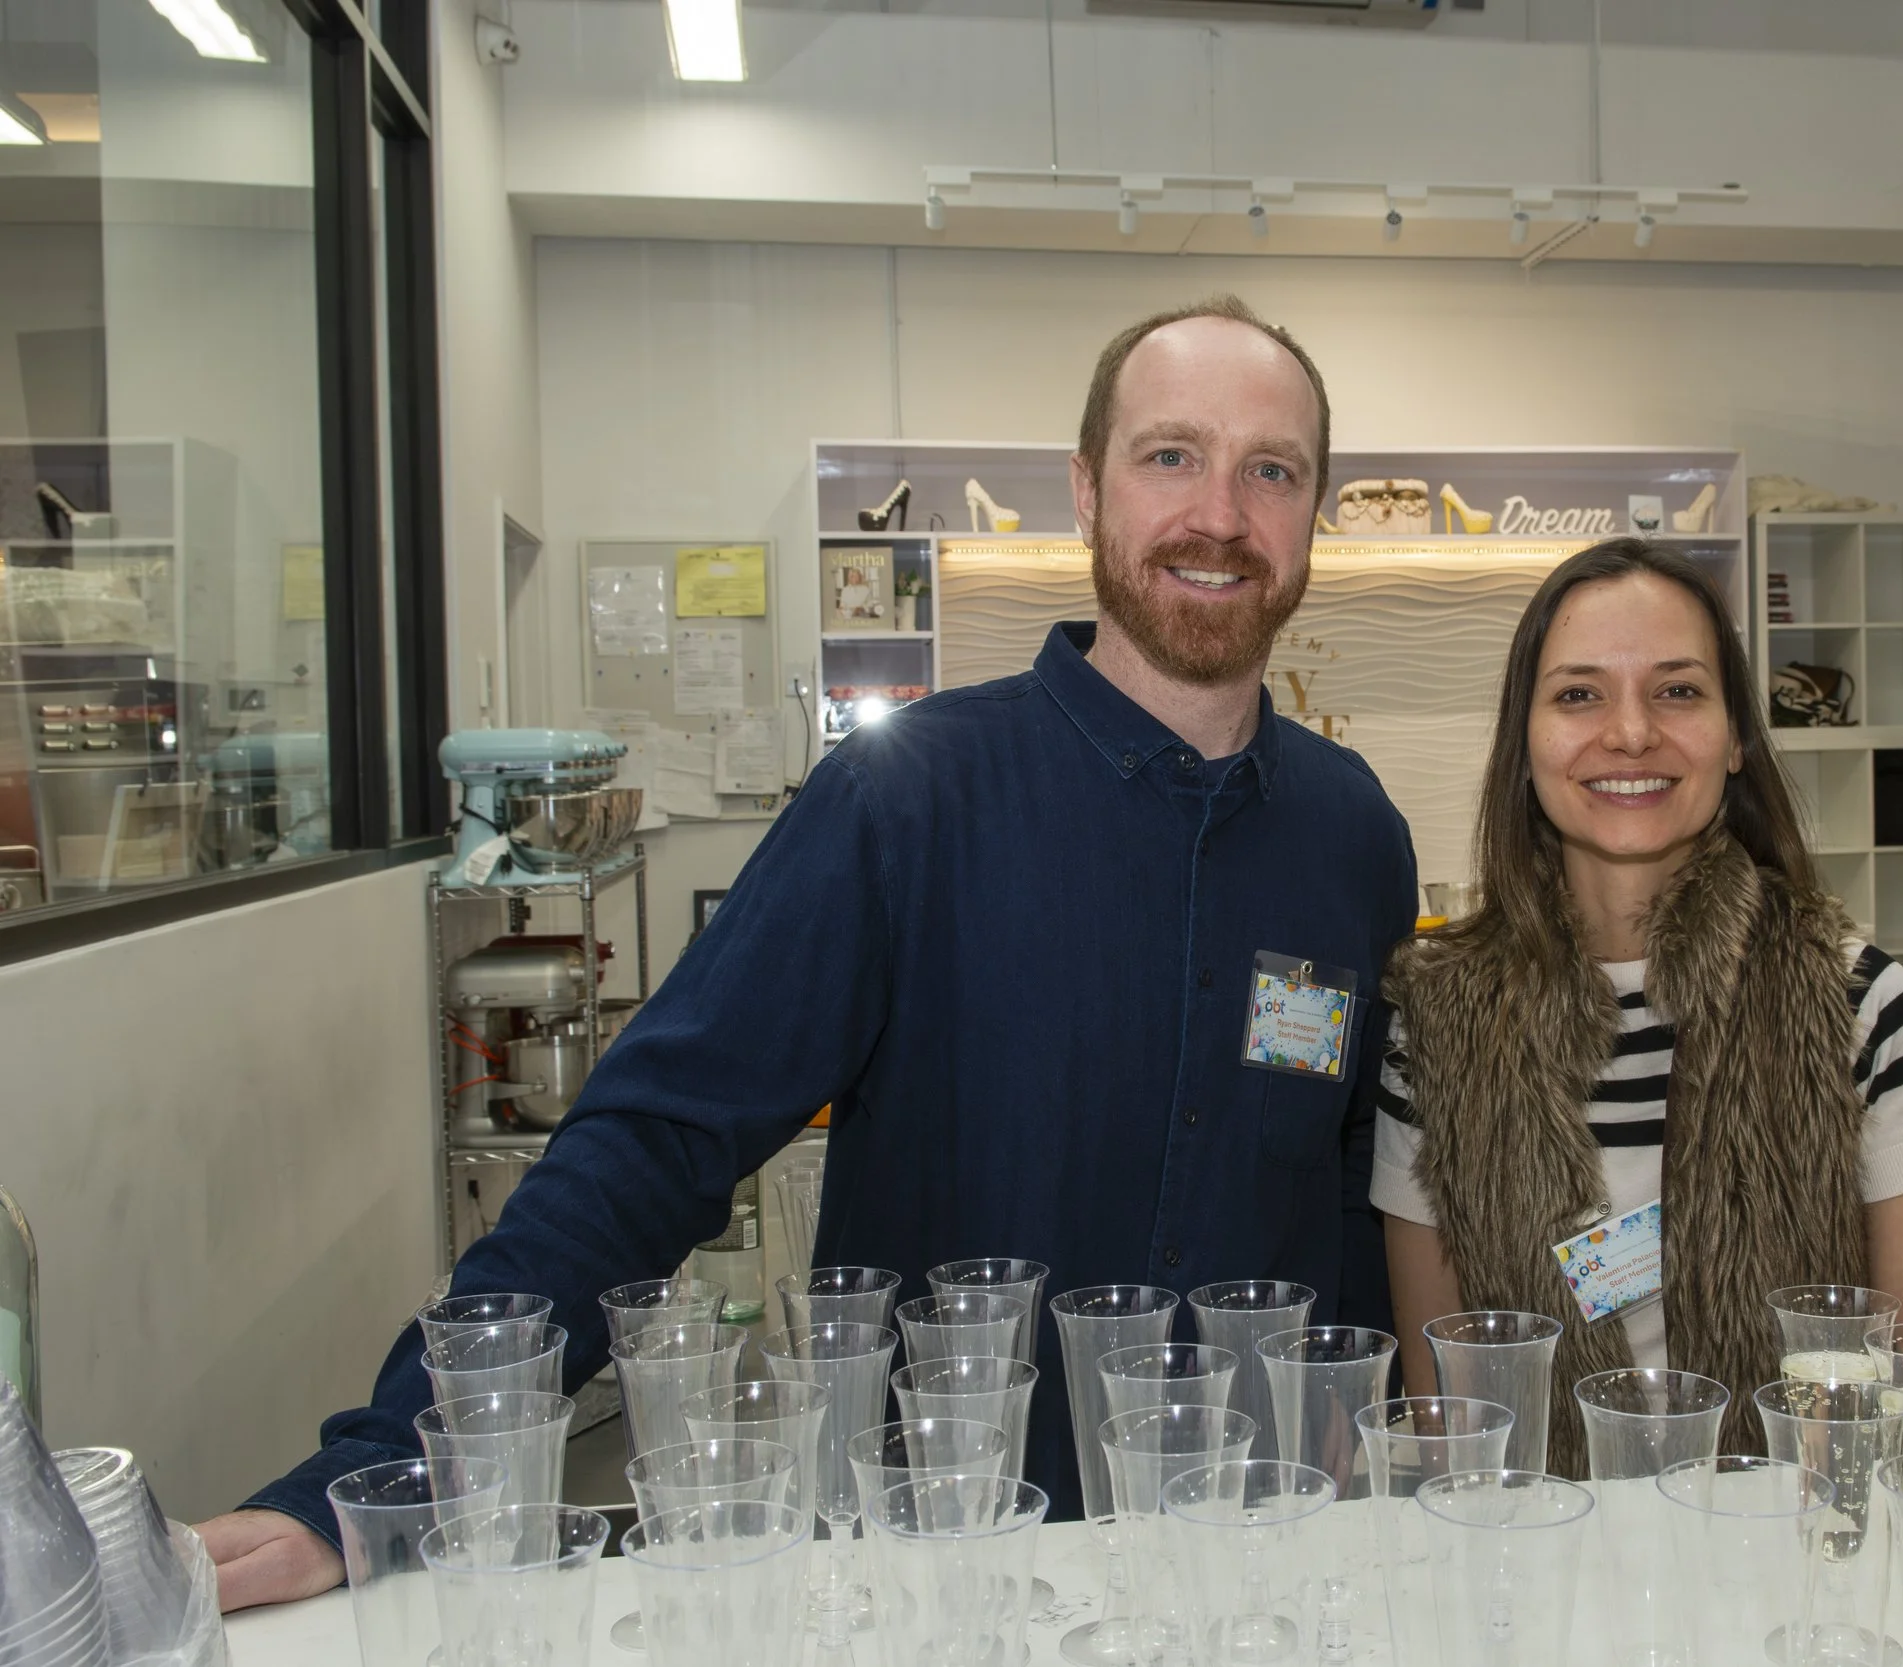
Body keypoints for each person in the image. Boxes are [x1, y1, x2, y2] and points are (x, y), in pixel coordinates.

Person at [199, 296, 1417, 1608]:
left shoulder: (1353, 836)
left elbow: (1355, 1176)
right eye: (1171, 455)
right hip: (945, 1567)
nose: (1220, 514)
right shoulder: (905, 802)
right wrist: (399, 1453)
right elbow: (654, 1140)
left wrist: (1367, 1409)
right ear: (1086, 489)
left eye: (1271, 470)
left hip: (1257, 1569)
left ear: (1314, 515)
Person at [1372, 538, 1903, 1471]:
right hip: (1543, 1570)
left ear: (1735, 735)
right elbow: (1447, 1419)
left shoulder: (1860, 1005)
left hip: (1802, 1567)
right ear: (1525, 740)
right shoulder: (1434, 1025)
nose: (1628, 733)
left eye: (1678, 690)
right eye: (1579, 693)